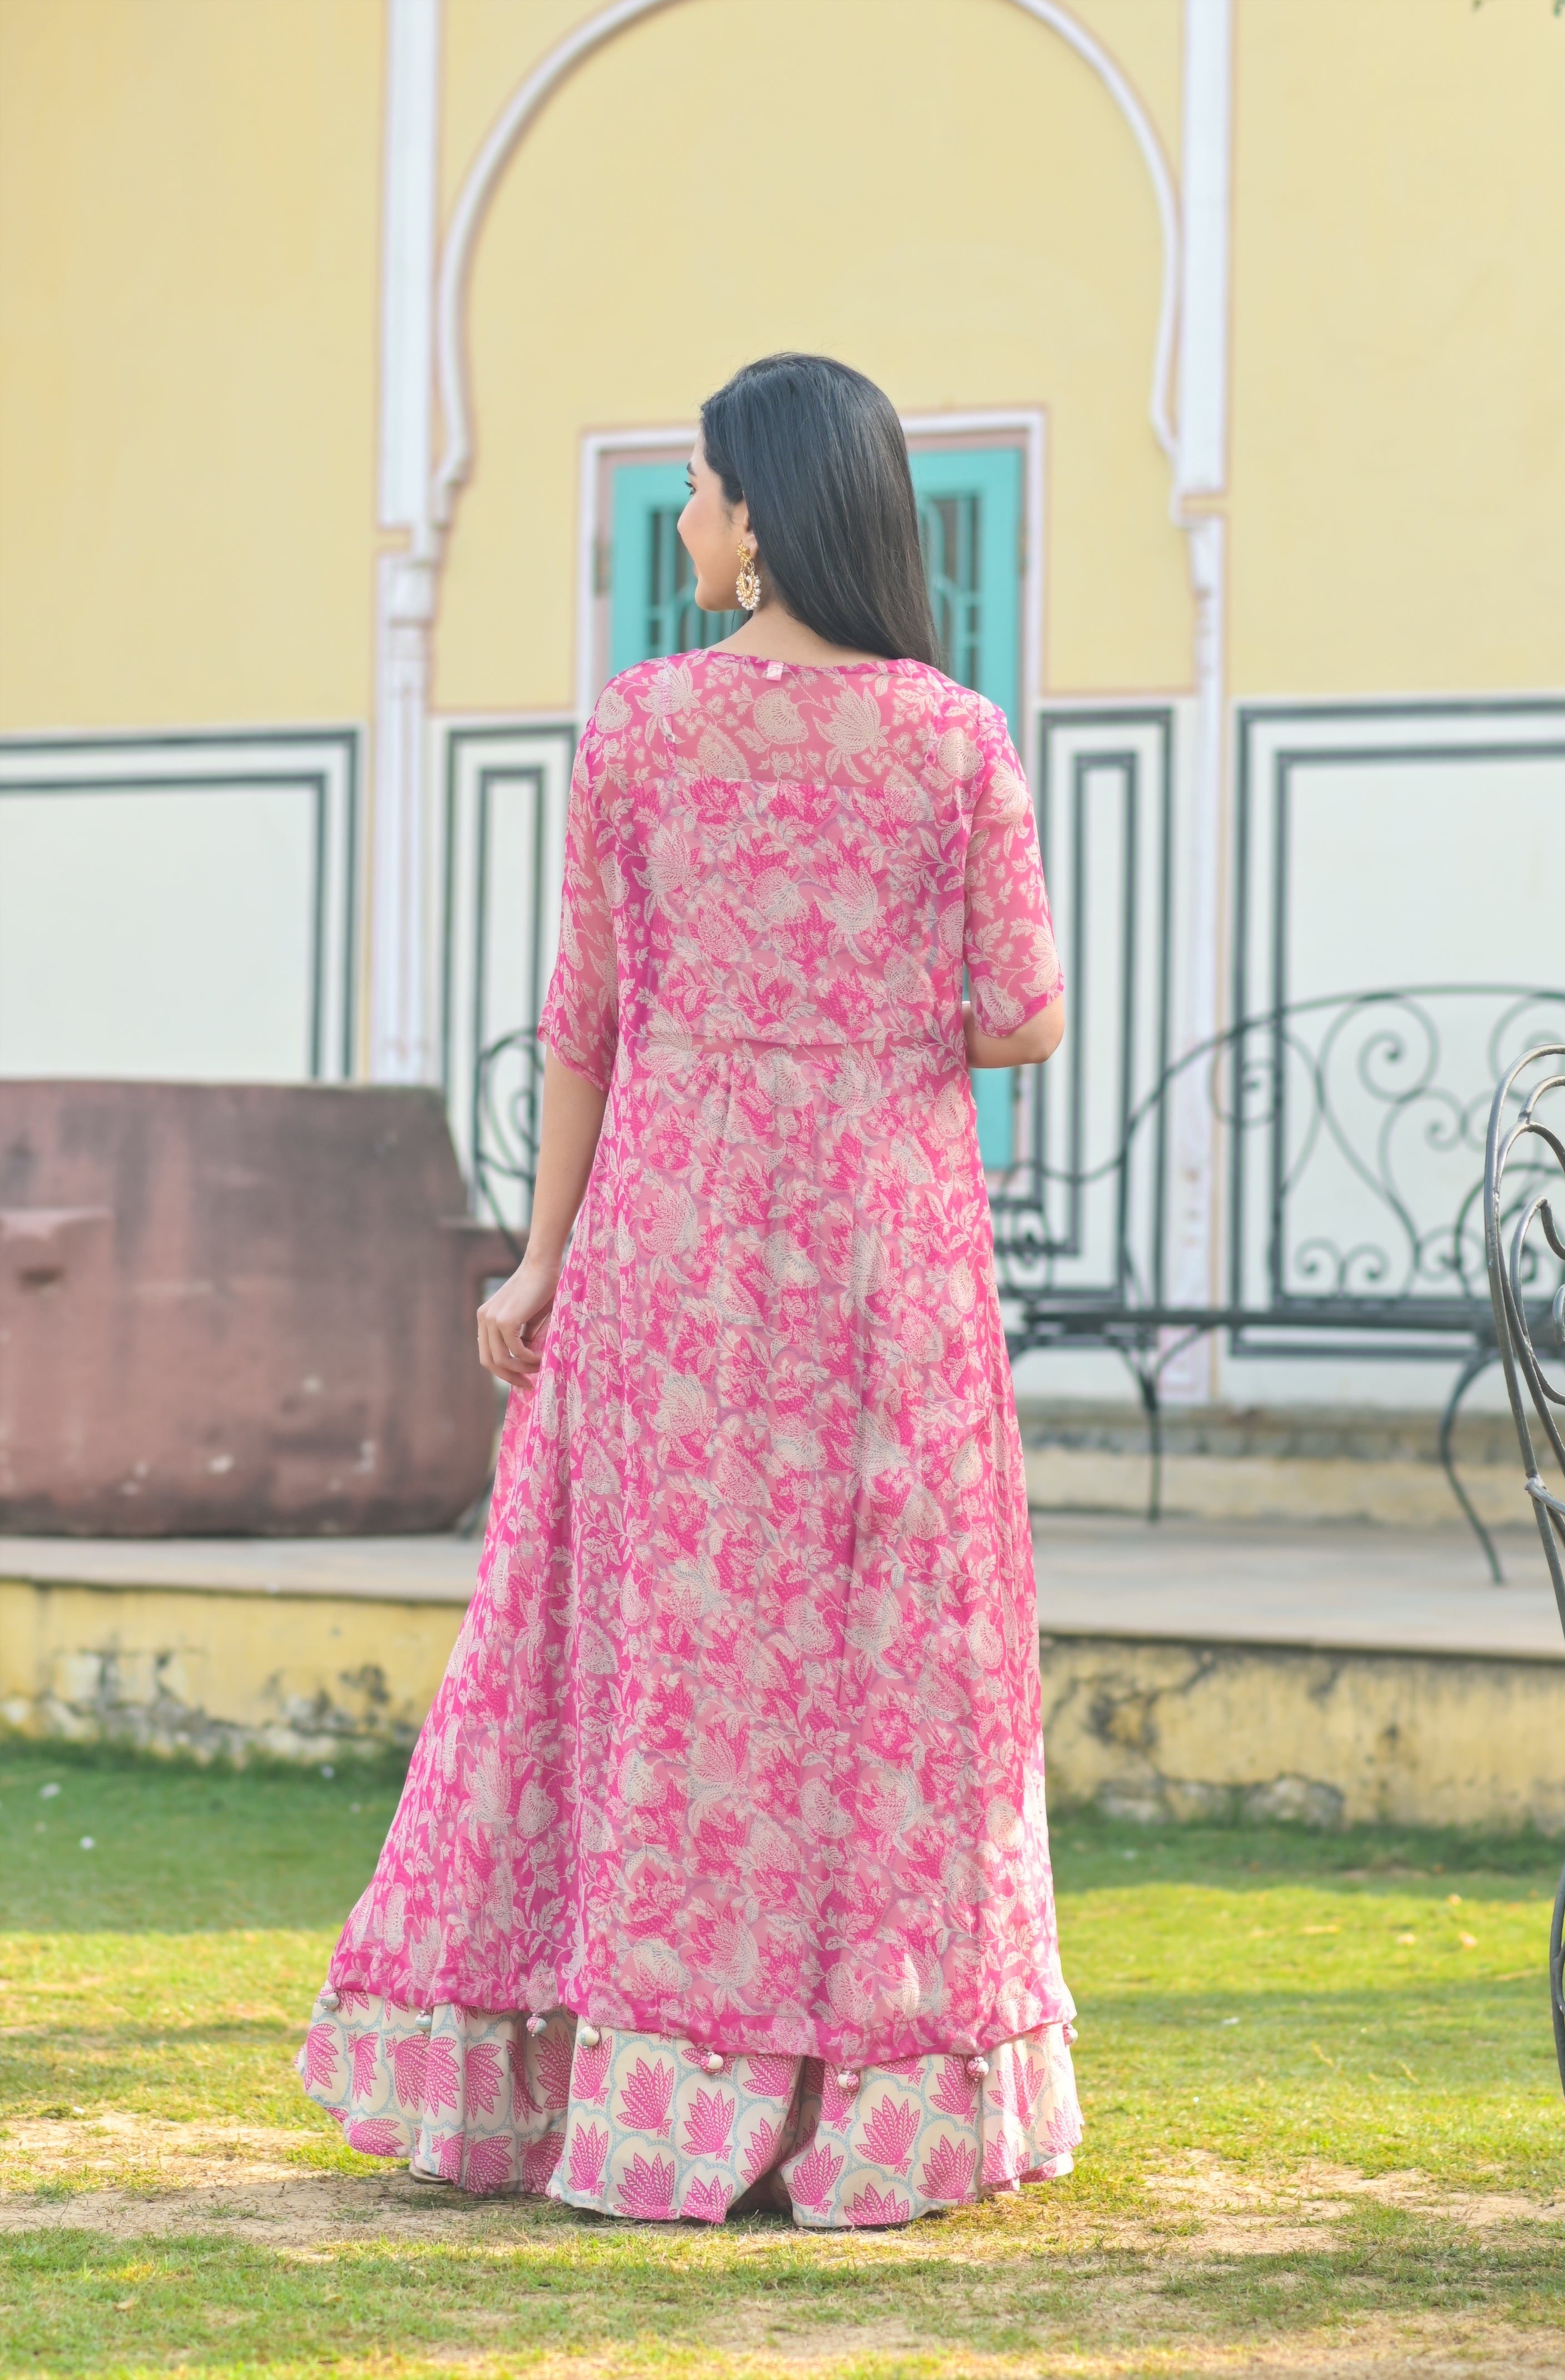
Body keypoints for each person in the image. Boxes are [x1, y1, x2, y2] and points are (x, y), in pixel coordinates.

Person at [298, 353, 1081, 2228]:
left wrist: (542, 1261)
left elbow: (586, 1023)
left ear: (764, 517)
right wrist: (870, 1019)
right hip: (887, 1270)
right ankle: (874, 2108)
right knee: (887, 1674)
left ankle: (646, 2100)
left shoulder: (642, 728)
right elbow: (1027, 1016)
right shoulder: (957, 739)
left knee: (671, 1664)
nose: (685, 521)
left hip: (678, 1258)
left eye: (703, 489)